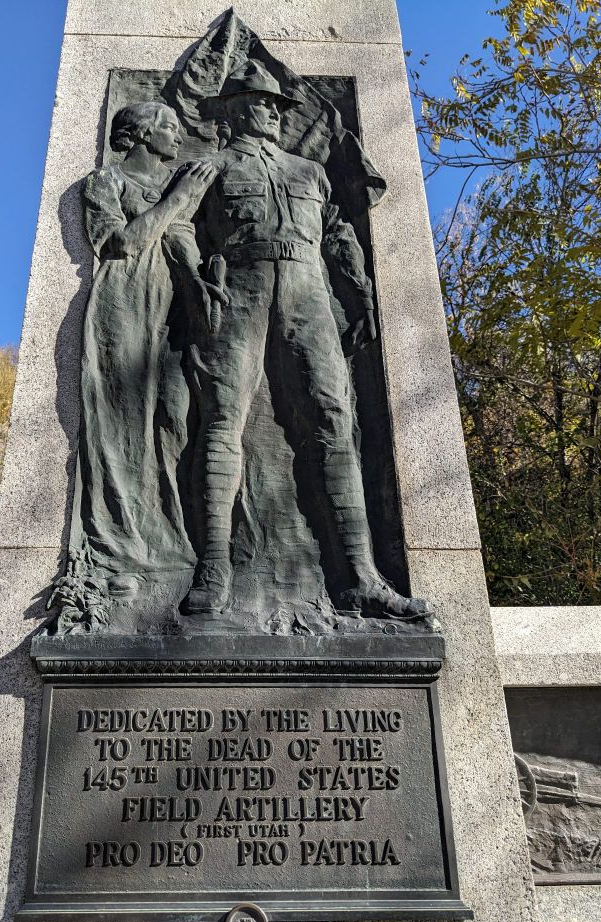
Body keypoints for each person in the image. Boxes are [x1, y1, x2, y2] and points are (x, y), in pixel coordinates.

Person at [183, 62, 430, 620]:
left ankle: (359, 576)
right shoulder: (211, 165)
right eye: (263, 102)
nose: (273, 111)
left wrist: (362, 292)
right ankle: (214, 565)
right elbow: (177, 227)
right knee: (223, 418)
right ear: (236, 107)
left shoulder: (309, 172)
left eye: (277, 105)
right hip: (240, 289)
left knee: (333, 421)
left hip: (307, 296)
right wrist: (195, 278)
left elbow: (339, 235)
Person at [74, 101, 223, 601]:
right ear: (139, 135)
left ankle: (173, 539)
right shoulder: (106, 182)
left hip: (173, 310)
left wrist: (204, 282)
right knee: (124, 424)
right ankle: (126, 546)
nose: (178, 138)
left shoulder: (175, 187)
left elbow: (183, 245)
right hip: (126, 306)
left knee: (176, 422)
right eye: (168, 128)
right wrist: (178, 197)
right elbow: (121, 244)